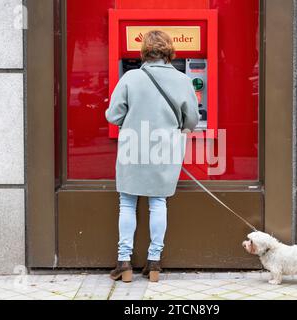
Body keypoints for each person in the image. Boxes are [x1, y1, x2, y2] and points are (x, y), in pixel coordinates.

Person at [105, 30, 199, 282]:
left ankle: (124, 262)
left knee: (127, 203)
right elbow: (192, 120)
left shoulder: (130, 78)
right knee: (158, 202)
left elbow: (113, 116)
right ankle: (154, 262)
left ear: (144, 51)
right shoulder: (182, 80)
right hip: (165, 148)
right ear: (169, 50)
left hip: (132, 147)